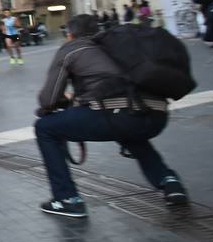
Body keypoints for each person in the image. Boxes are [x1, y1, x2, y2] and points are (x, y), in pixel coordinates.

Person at [33, 14, 187, 218]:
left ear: (69, 34)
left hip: (119, 115)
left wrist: (55, 106)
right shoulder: (116, 45)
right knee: (130, 131)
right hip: (156, 114)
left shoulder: (71, 48)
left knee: (45, 128)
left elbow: (48, 99)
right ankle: (168, 181)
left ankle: (66, 199)